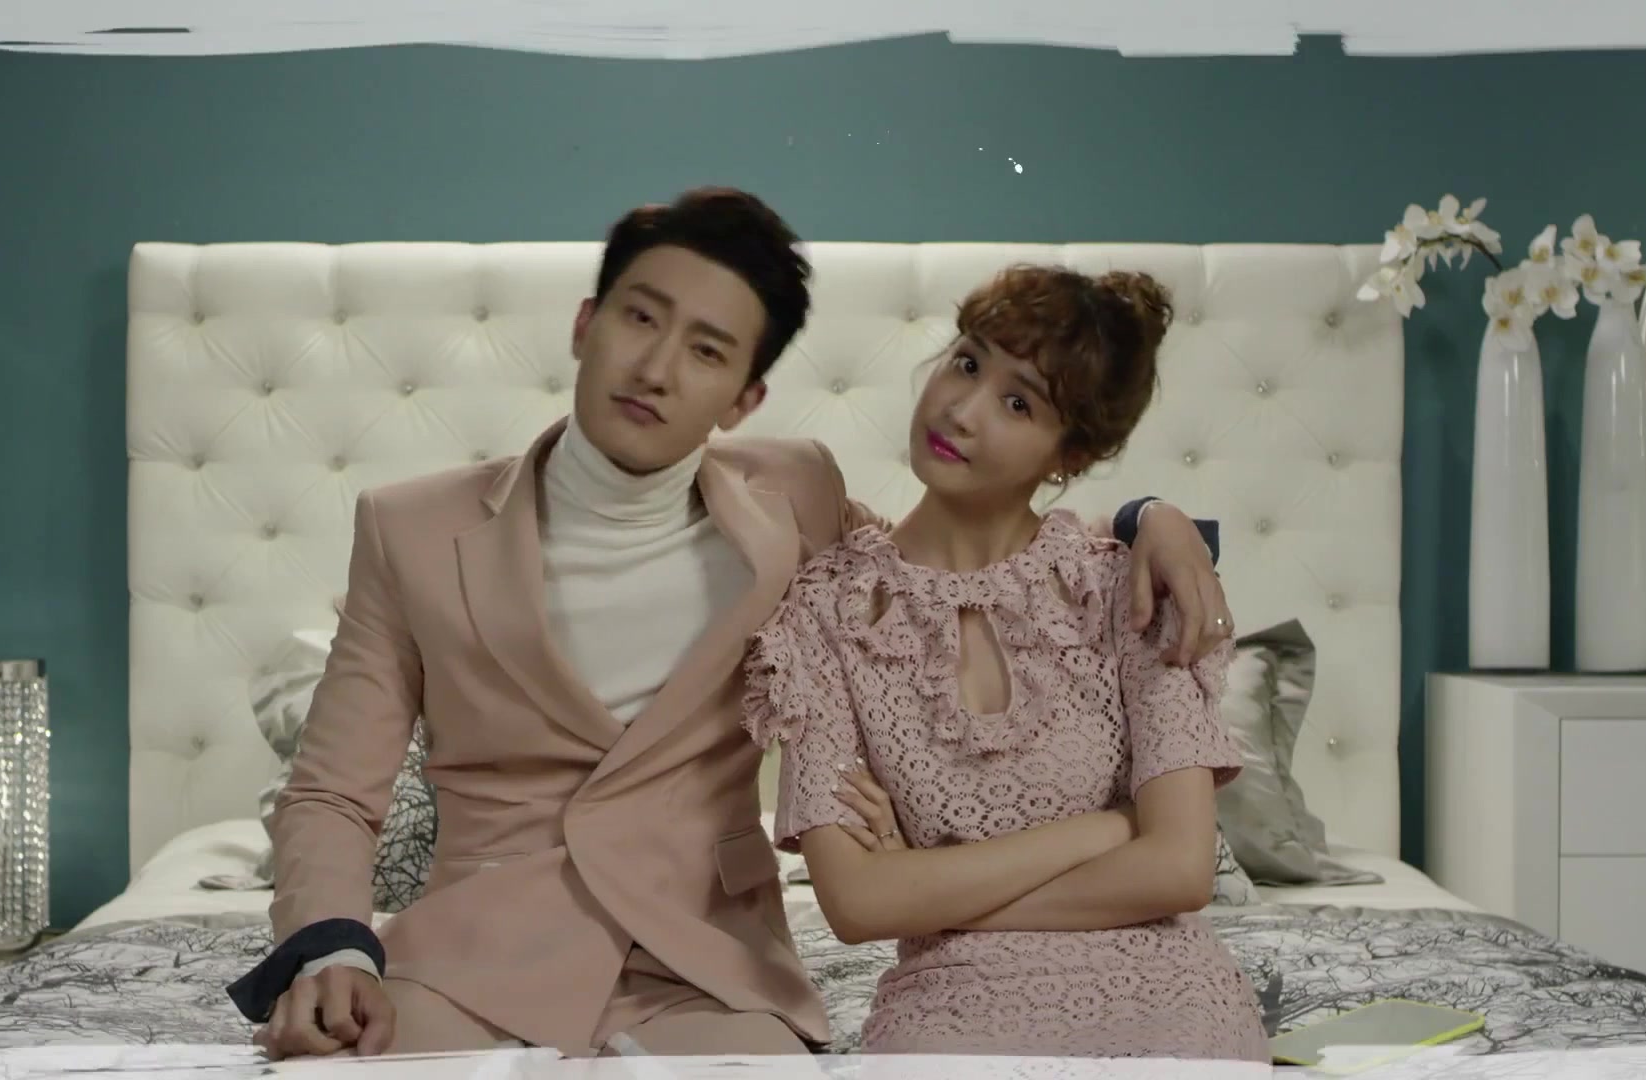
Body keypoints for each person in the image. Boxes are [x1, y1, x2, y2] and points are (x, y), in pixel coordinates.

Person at [226, 187, 1235, 1061]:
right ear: (585, 322)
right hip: (469, 963)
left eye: (705, 350)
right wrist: (329, 946)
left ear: (745, 397)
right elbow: (332, 790)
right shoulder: (409, 530)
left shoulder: (794, 501)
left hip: (710, 966)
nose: (656, 368)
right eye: (640, 318)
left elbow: (965, 570)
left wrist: (1150, 519)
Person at [743, 263, 1270, 1060]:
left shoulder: (1128, 593)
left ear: (1070, 453)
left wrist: (925, 893)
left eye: (1018, 403)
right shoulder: (825, 613)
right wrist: (1110, 828)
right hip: (944, 1005)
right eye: (967, 362)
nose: (961, 409)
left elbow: (1178, 871)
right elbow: (856, 905)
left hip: (1171, 998)